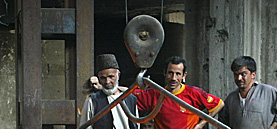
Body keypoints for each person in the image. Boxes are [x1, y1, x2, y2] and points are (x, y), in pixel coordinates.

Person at [133, 56, 225, 129]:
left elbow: (219, 104)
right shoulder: (154, 94)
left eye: (178, 74)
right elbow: (126, 95)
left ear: (184, 75)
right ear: (164, 73)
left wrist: (200, 125)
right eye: (170, 73)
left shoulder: (193, 93)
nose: (173, 78)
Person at [80, 54, 139, 129]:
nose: (107, 81)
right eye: (103, 78)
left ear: (118, 75)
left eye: (111, 77)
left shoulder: (131, 99)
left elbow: (136, 125)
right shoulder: (92, 101)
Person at [218, 56, 277, 129]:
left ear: (253, 74)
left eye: (243, 74)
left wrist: (272, 127)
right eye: (236, 75)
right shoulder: (231, 98)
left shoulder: (269, 92)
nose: (239, 78)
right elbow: (222, 122)